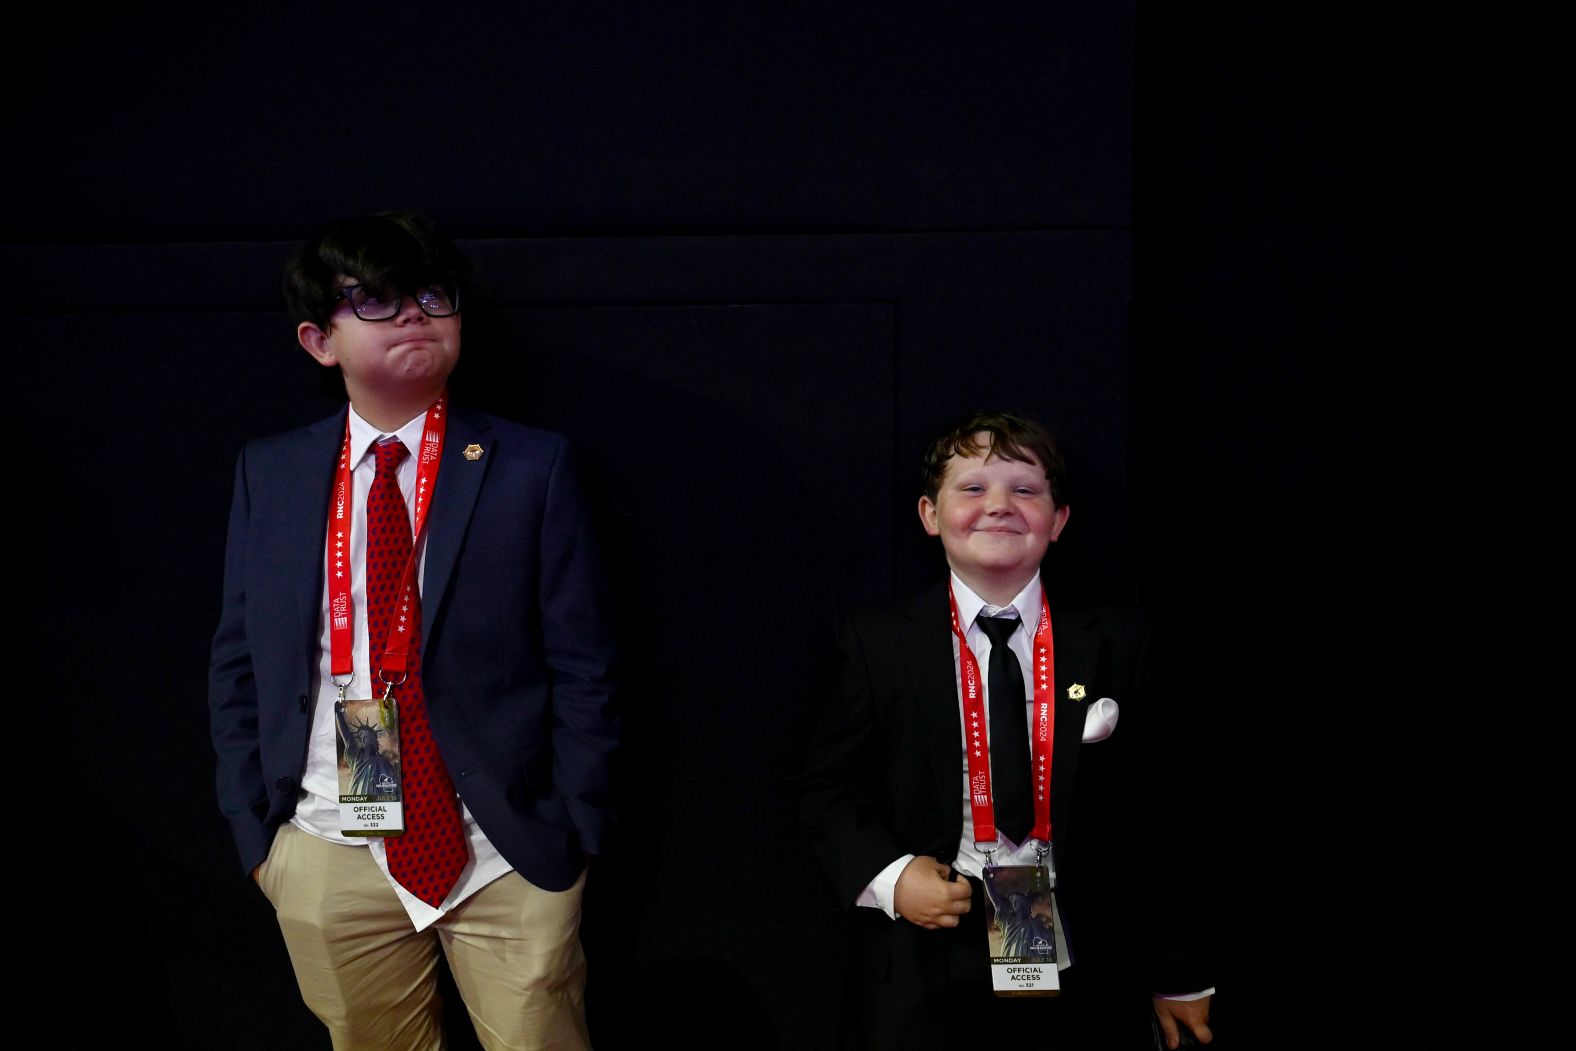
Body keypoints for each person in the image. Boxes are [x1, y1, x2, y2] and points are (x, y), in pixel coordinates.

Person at [208, 211, 619, 1051]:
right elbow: (238, 658)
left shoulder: (531, 466)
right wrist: (259, 834)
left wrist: (576, 824)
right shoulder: (272, 471)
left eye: (433, 295)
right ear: (319, 341)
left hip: (502, 845)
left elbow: (587, 663)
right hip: (328, 838)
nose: (415, 314)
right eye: (379, 300)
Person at [799, 411, 1213, 1050]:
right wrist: (888, 875)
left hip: (1080, 953)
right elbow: (825, 787)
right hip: (927, 946)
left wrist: (1180, 973)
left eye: (1025, 489)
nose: (999, 506)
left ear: (1060, 519)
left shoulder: (1117, 644)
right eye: (972, 488)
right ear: (929, 515)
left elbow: (1163, 816)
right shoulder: (878, 641)